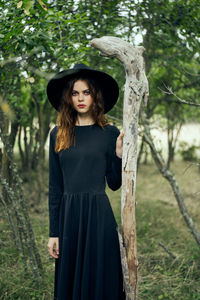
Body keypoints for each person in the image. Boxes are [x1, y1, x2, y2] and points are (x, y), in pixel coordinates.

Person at [46, 63, 126, 300]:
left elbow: (114, 183)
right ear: (68, 98)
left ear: (95, 96)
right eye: (75, 93)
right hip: (70, 217)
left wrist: (120, 155)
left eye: (86, 92)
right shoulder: (57, 133)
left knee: (101, 280)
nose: (81, 98)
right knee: (70, 283)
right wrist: (54, 233)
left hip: (99, 216)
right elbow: (55, 186)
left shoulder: (109, 132)